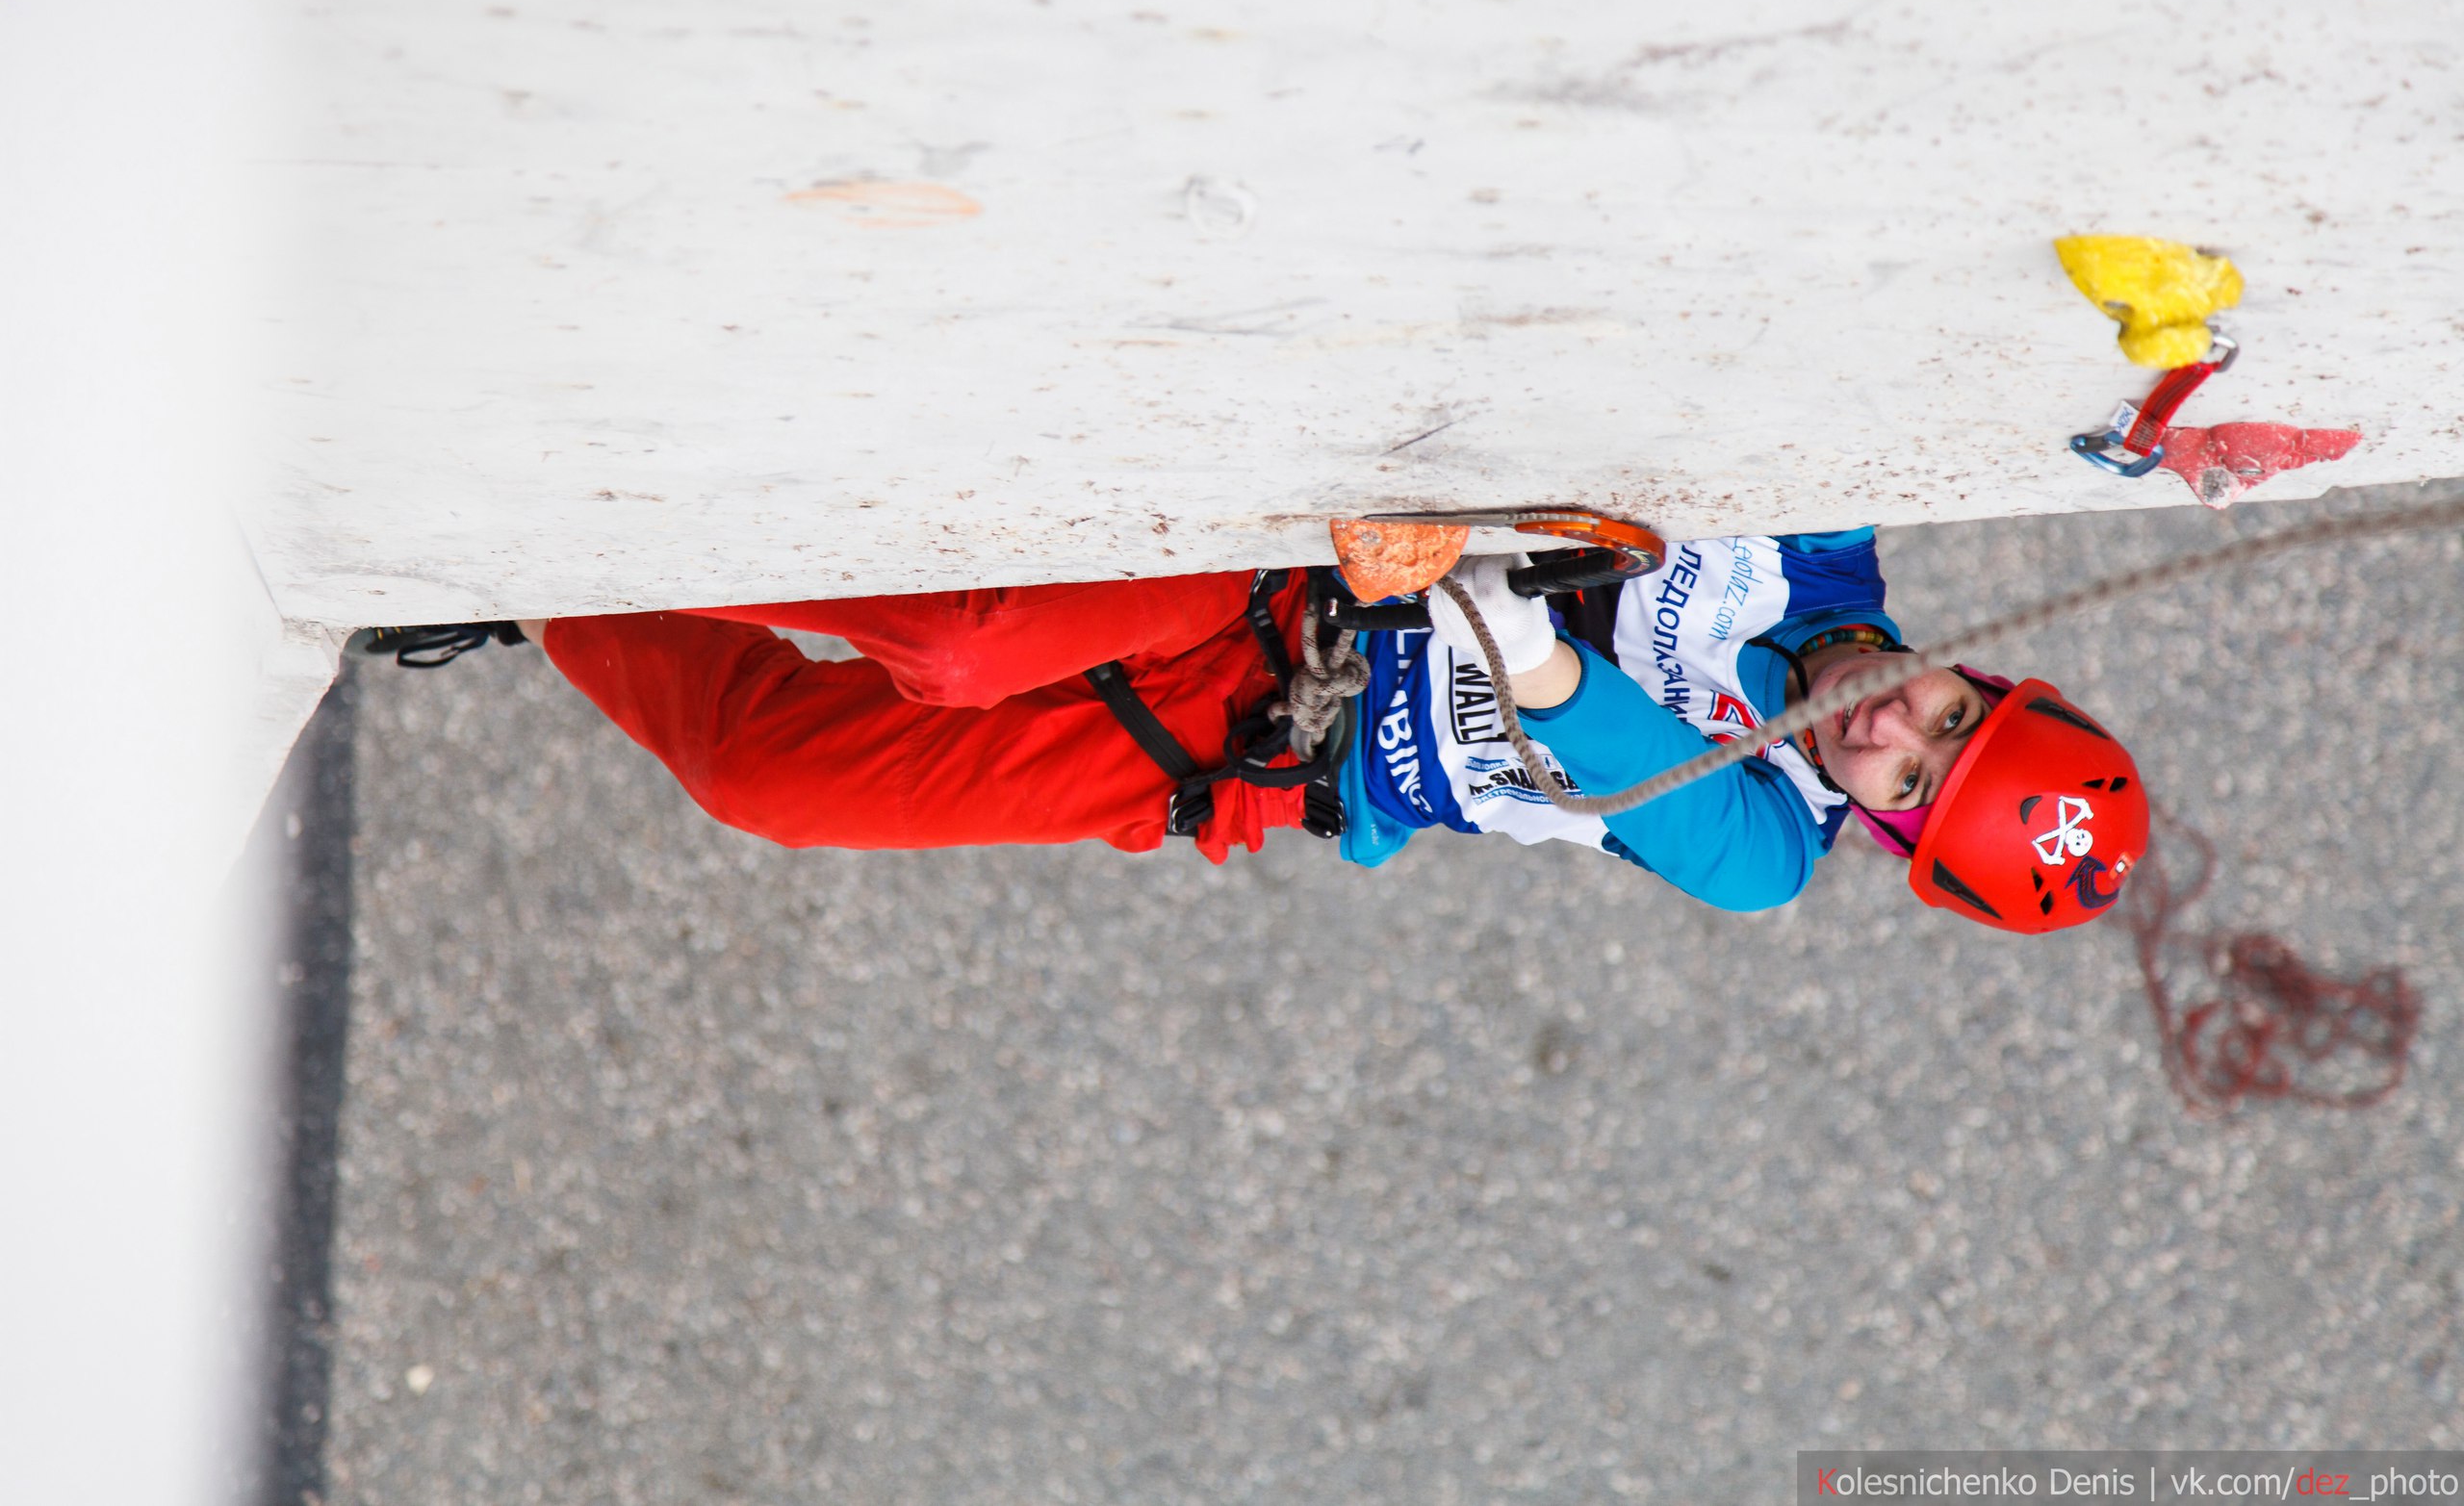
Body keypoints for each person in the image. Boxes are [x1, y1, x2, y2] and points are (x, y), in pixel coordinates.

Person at [361, 526, 2147, 933]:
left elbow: (1627, 781)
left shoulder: (1764, 845)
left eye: (1912, 787)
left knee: (776, 778)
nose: (1890, 734)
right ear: (1985, 670)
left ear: (1892, 834)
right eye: (1951, 720)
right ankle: (620, 505)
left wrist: (1541, 673)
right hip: (1273, 589)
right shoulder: (1815, 540)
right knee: (956, 637)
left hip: (1256, 753)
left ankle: (535, 568)